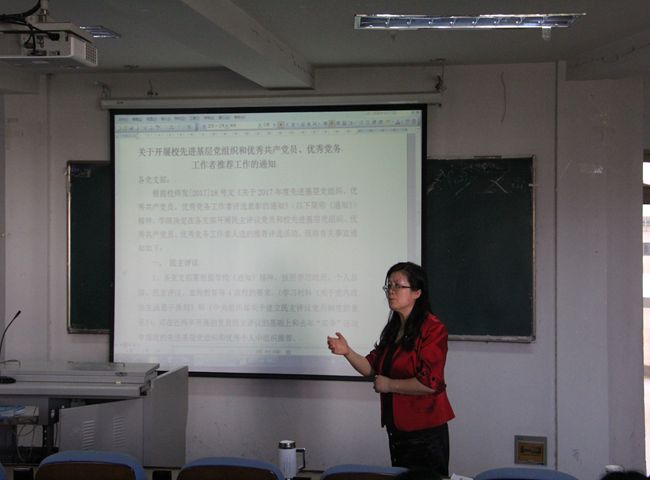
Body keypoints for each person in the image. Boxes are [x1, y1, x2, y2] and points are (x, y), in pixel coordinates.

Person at [327, 261, 454, 477]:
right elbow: (371, 368)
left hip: (425, 432)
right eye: (389, 286)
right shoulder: (394, 328)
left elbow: (430, 382)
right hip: (397, 428)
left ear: (417, 292)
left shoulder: (433, 329)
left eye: (398, 286)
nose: (391, 291)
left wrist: (389, 385)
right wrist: (347, 351)